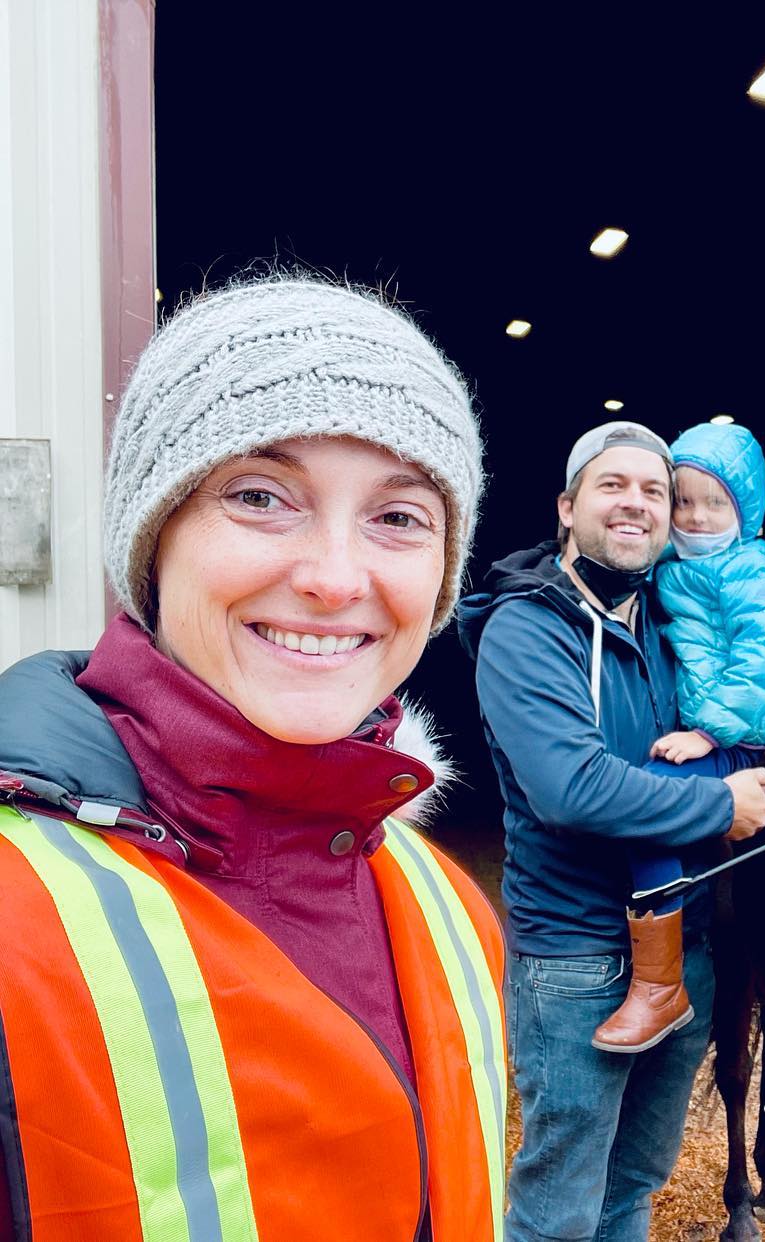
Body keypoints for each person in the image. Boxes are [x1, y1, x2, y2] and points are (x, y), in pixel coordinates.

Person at [0, 277, 506, 1241]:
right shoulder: (11, 912)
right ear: (153, 539)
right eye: (261, 496)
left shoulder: (450, 909)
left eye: (400, 517)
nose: (332, 577)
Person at [458, 420, 765, 1242]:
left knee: (635, 1180)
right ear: (567, 508)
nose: (635, 504)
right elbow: (573, 788)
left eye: (654, 491)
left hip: (688, 949)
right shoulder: (527, 630)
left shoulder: (672, 628)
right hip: (577, 958)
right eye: (613, 486)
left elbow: (750, 711)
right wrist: (720, 805)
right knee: (562, 1200)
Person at [593, 421, 765, 1054]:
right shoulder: (670, 568)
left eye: (717, 504)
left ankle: (660, 982)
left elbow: (762, 661)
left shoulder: (748, 569)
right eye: (684, 501)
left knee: (651, 804)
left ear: (746, 510)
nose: (698, 517)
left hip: (740, 739)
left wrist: (709, 734)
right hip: (701, 730)